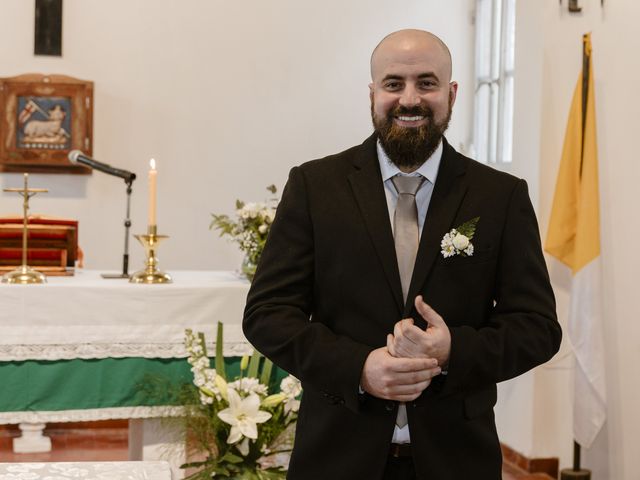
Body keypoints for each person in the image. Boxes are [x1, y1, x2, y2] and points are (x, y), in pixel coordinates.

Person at [243, 29, 561, 480]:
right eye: (394, 84)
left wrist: (454, 351)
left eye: (426, 83)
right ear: (372, 93)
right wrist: (359, 368)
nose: (409, 99)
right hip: (336, 456)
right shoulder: (315, 187)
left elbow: (538, 328)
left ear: (451, 94)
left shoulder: (500, 197)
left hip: (457, 460)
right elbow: (267, 314)